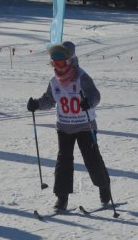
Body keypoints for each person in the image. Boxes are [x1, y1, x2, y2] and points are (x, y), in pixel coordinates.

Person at [26, 41, 112, 211]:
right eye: (54, 63)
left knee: (92, 158)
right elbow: (49, 100)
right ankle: (62, 197)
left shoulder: (81, 77)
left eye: (61, 63)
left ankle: (104, 186)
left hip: (85, 125)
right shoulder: (54, 81)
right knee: (63, 161)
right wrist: (36, 104)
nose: (58, 67)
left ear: (70, 61)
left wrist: (89, 102)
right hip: (64, 126)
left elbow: (95, 95)